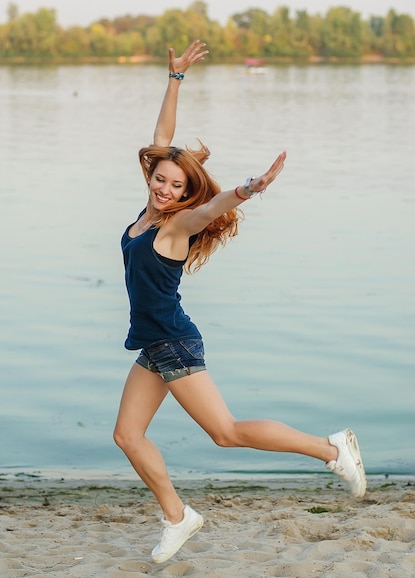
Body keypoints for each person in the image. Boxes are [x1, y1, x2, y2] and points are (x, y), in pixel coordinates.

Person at [113, 39, 366, 564]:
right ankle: (178, 517)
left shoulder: (177, 223)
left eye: (174, 185)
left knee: (225, 433)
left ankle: (331, 448)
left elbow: (211, 210)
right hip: (156, 345)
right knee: (128, 435)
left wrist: (250, 187)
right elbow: (162, 140)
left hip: (174, 344)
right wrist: (175, 78)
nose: (163, 187)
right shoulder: (148, 211)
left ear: (185, 194)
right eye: (159, 179)